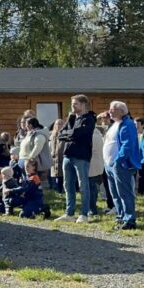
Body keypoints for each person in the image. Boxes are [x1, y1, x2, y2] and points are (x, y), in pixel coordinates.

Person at [55, 95, 96, 223]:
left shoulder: (89, 118)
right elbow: (60, 134)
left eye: (75, 104)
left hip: (81, 157)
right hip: (68, 155)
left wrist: (69, 134)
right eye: (72, 104)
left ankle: (84, 214)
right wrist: (70, 134)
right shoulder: (71, 117)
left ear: (83, 105)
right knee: (68, 185)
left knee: (83, 185)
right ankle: (69, 213)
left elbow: (79, 133)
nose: (72, 106)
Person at [104, 101, 140, 230]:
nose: (110, 111)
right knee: (115, 194)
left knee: (124, 193)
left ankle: (129, 220)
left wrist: (118, 161)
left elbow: (127, 145)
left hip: (120, 164)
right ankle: (120, 217)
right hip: (109, 165)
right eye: (110, 109)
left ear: (122, 111)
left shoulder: (128, 124)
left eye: (113, 109)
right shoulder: (115, 124)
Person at [19, 118, 52, 183]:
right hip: (24, 160)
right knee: (26, 181)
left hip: (31, 162)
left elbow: (38, 147)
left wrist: (30, 157)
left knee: (33, 182)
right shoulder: (30, 134)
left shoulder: (39, 134)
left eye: (26, 124)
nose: (25, 126)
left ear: (30, 125)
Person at [88, 124, 106, 217]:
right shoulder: (97, 134)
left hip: (92, 166)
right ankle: (92, 208)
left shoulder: (92, 136)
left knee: (92, 189)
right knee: (93, 188)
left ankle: (92, 209)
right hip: (97, 166)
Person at [49, 119, 66, 193]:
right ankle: (57, 191)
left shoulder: (65, 134)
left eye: (60, 124)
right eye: (56, 124)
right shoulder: (52, 135)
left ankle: (62, 190)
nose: (58, 126)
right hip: (54, 158)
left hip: (62, 158)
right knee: (56, 176)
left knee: (63, 175)